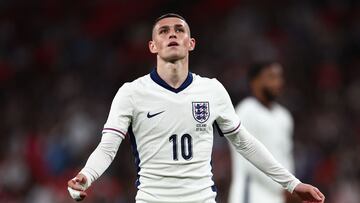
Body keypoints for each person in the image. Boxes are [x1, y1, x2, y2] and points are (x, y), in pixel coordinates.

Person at [67, 13, 325, 203]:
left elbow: (245, 143)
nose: (172, 34)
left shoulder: (212, 90)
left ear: (191, 43)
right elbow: (108, 147)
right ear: (152, 46)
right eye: (164, 31)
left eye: (179, 30)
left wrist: (292, 183)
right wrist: (86, 175)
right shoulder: (132, 93)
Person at [228, 62, 296, 203]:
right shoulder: (245, 111)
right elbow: (249, 159)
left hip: (278, 195)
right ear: (254, 82)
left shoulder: (284, 116)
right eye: (271, 77)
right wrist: (283, 186)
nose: (277, 82)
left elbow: (286, 156)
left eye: (279, 77)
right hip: (252, 193)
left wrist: (292, 186)